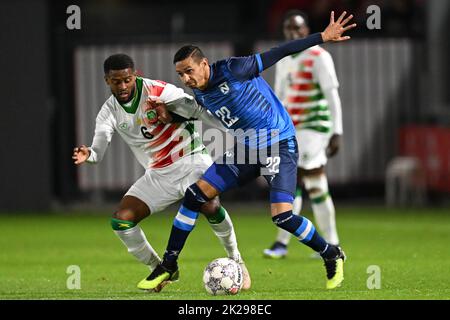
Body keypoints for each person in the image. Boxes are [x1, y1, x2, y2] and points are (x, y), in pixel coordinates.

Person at [144, 11, 356, 291]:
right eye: (181, 74)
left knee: (283, 216)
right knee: (195, 196)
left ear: (204, 64)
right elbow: (205, 115)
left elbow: (279, 52)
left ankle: (331, 253)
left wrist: (321, 38)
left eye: (189, 71)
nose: (185, 78)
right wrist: (170, 116)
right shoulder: (200, 92)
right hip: (247, 147)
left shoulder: (234, 68)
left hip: (279, 143)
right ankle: (169, 265)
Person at [72, 54, 251, 292]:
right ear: (107, 80)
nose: (123, 86)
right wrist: (90, 155)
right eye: (116, 81)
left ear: (134, 75)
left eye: (127, 79)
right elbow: (99, 147)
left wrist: (236, 129)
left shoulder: (157, 90)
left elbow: (197, 109)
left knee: (209, 205)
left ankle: (236, 257)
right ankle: (161, 268)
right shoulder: (109, 112)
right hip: (158, 174)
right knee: (121, 220)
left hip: (191, 159)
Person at [264, 10, 343, 259]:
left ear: (306, 31)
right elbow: (279, 98)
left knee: (308, 180)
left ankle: (329, 242)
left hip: (314, 128)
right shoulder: (285, 59)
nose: (293, 33)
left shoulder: (319, 56)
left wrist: (336, 132)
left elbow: (332, 95)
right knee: (299, 184)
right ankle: (285, 243)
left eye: (298, 29)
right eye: (289, 29)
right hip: (292, 130)